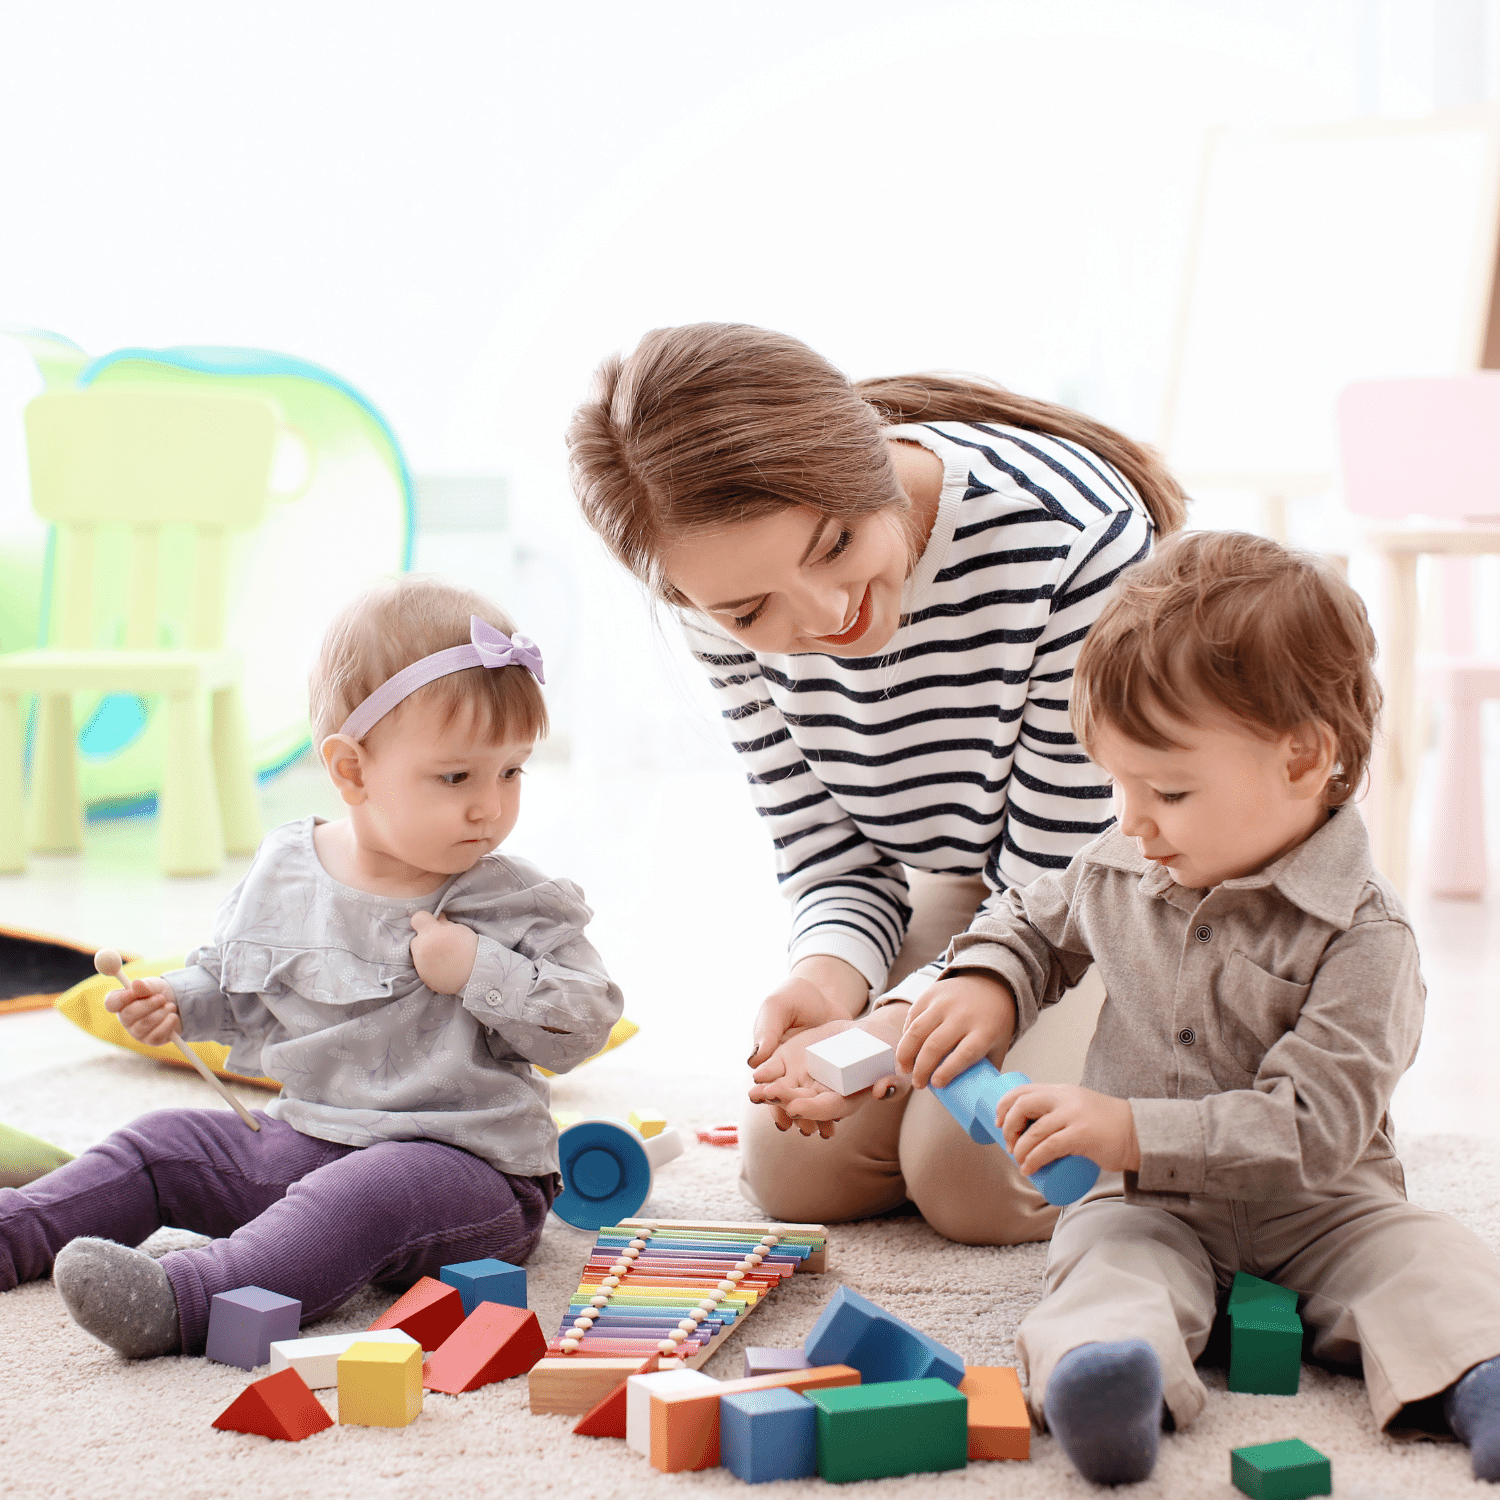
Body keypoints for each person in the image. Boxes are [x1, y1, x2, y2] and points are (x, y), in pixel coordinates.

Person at [894, 530, 1500, 1484]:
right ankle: (1108, 1381)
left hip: (1325, 1206)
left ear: (1304, 759)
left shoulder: (1366, 937)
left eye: (1168, 789)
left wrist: (1128, 1127)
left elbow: (1312, 1131)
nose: (1131, 819)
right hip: (1147, 1205)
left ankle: (1482, 1377)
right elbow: (1033, 921)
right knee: (1101, 1267)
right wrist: (988, 979)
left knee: (1431, 1262)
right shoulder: (1125, 861)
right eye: (1116, 785)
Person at [568, 322, 1185, 1243]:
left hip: (1116, 885)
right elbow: (830, 857)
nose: (826, 617)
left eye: (835, 544)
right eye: (749, 610)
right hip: (975, 878)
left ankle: (1194, 1084)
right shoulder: (714, 605)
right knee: (796, 1168)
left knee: (977, 1178)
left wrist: (893, 1026)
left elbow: (1058, 881)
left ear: (868, 464)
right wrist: (829, 981)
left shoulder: (1068, 537)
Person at [0, 576, 623, 1358]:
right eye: (457, 776)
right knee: (161, 1144)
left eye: (512, 772)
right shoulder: (289, 868)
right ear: (353, 771)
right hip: (305, 1138)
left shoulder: (511, 898)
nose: (489, 807)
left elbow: (582, 1025)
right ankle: (17, 1234)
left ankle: (188, 1299)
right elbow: (234, 981)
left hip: (466, 1174)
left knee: (365, 1193)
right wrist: (180, 1002)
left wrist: (477, 968)